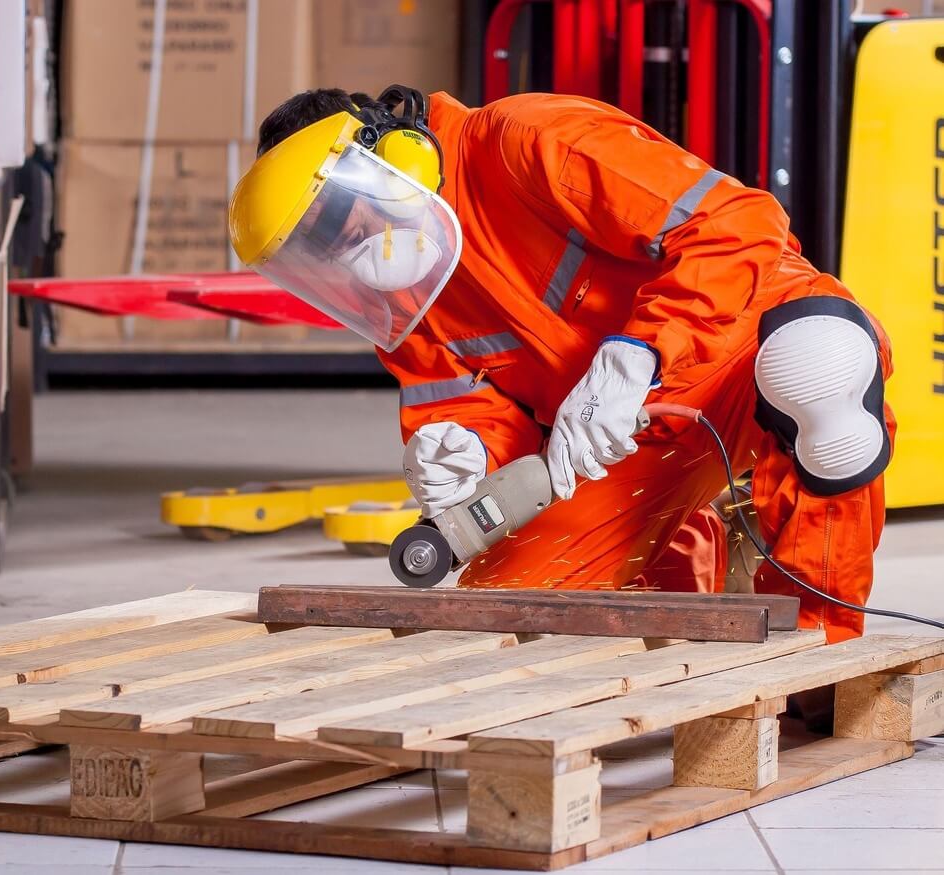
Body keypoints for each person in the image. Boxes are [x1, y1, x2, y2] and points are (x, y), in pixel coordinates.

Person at [229, 86, 895, 645]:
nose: (347, 255)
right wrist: (462, 453)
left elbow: (740, 224)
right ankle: (702, 572)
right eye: (320, 249)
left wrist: (640, 348)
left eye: (341, 221)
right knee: (503, 624)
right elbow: (471, 408)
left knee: (820, 368)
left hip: (741, 347)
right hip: (625, 442)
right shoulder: (403, 292)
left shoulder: (528, 140)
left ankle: (819, 654)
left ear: (394, 156)